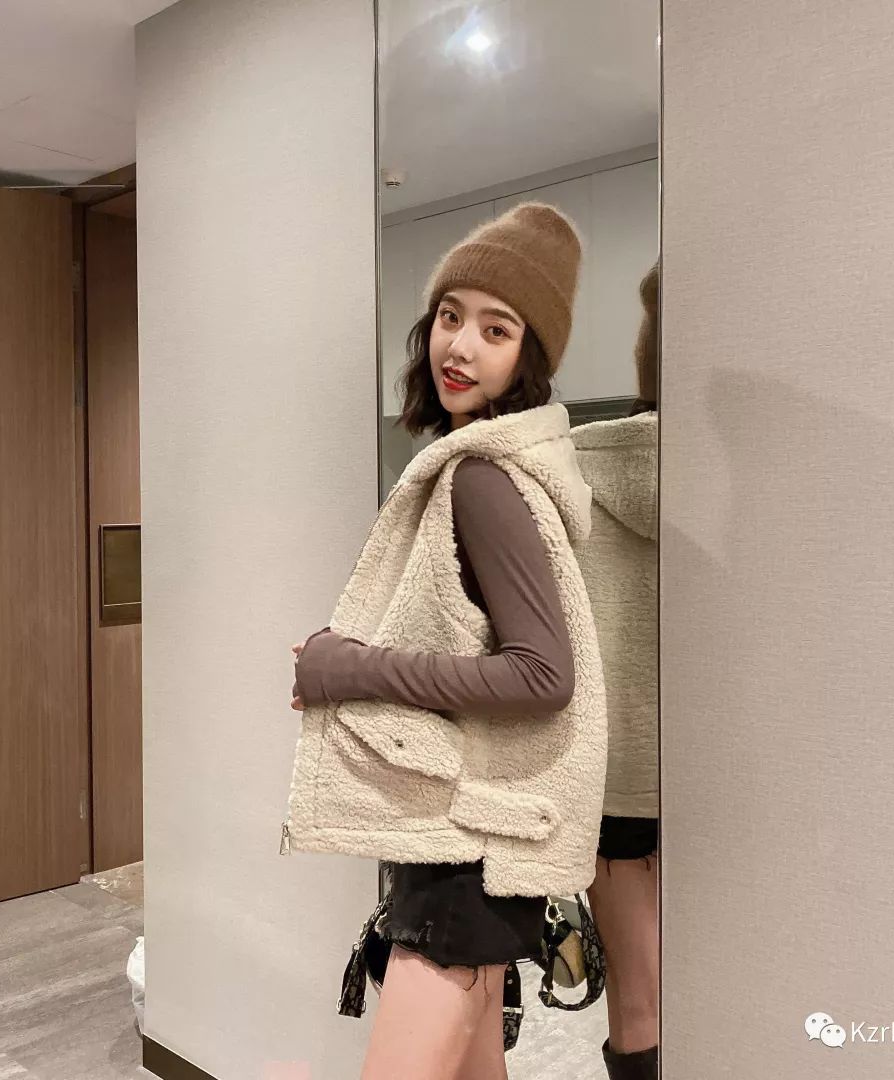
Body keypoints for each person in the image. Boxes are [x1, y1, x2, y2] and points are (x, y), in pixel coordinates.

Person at [282, 203, 608, 1080]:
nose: (458, 347)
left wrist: (351, 668)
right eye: (450, 316)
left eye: (496, 330)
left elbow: (542, 675)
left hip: (466, 851)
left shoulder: (482, 480)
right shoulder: (496, 468)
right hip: (476, 837)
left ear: (528, 357)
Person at [572, 260, 661, 1080]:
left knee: (639, 1000)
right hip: (738, 782)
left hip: (616, 782)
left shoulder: (577, 471)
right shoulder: (776, 484)